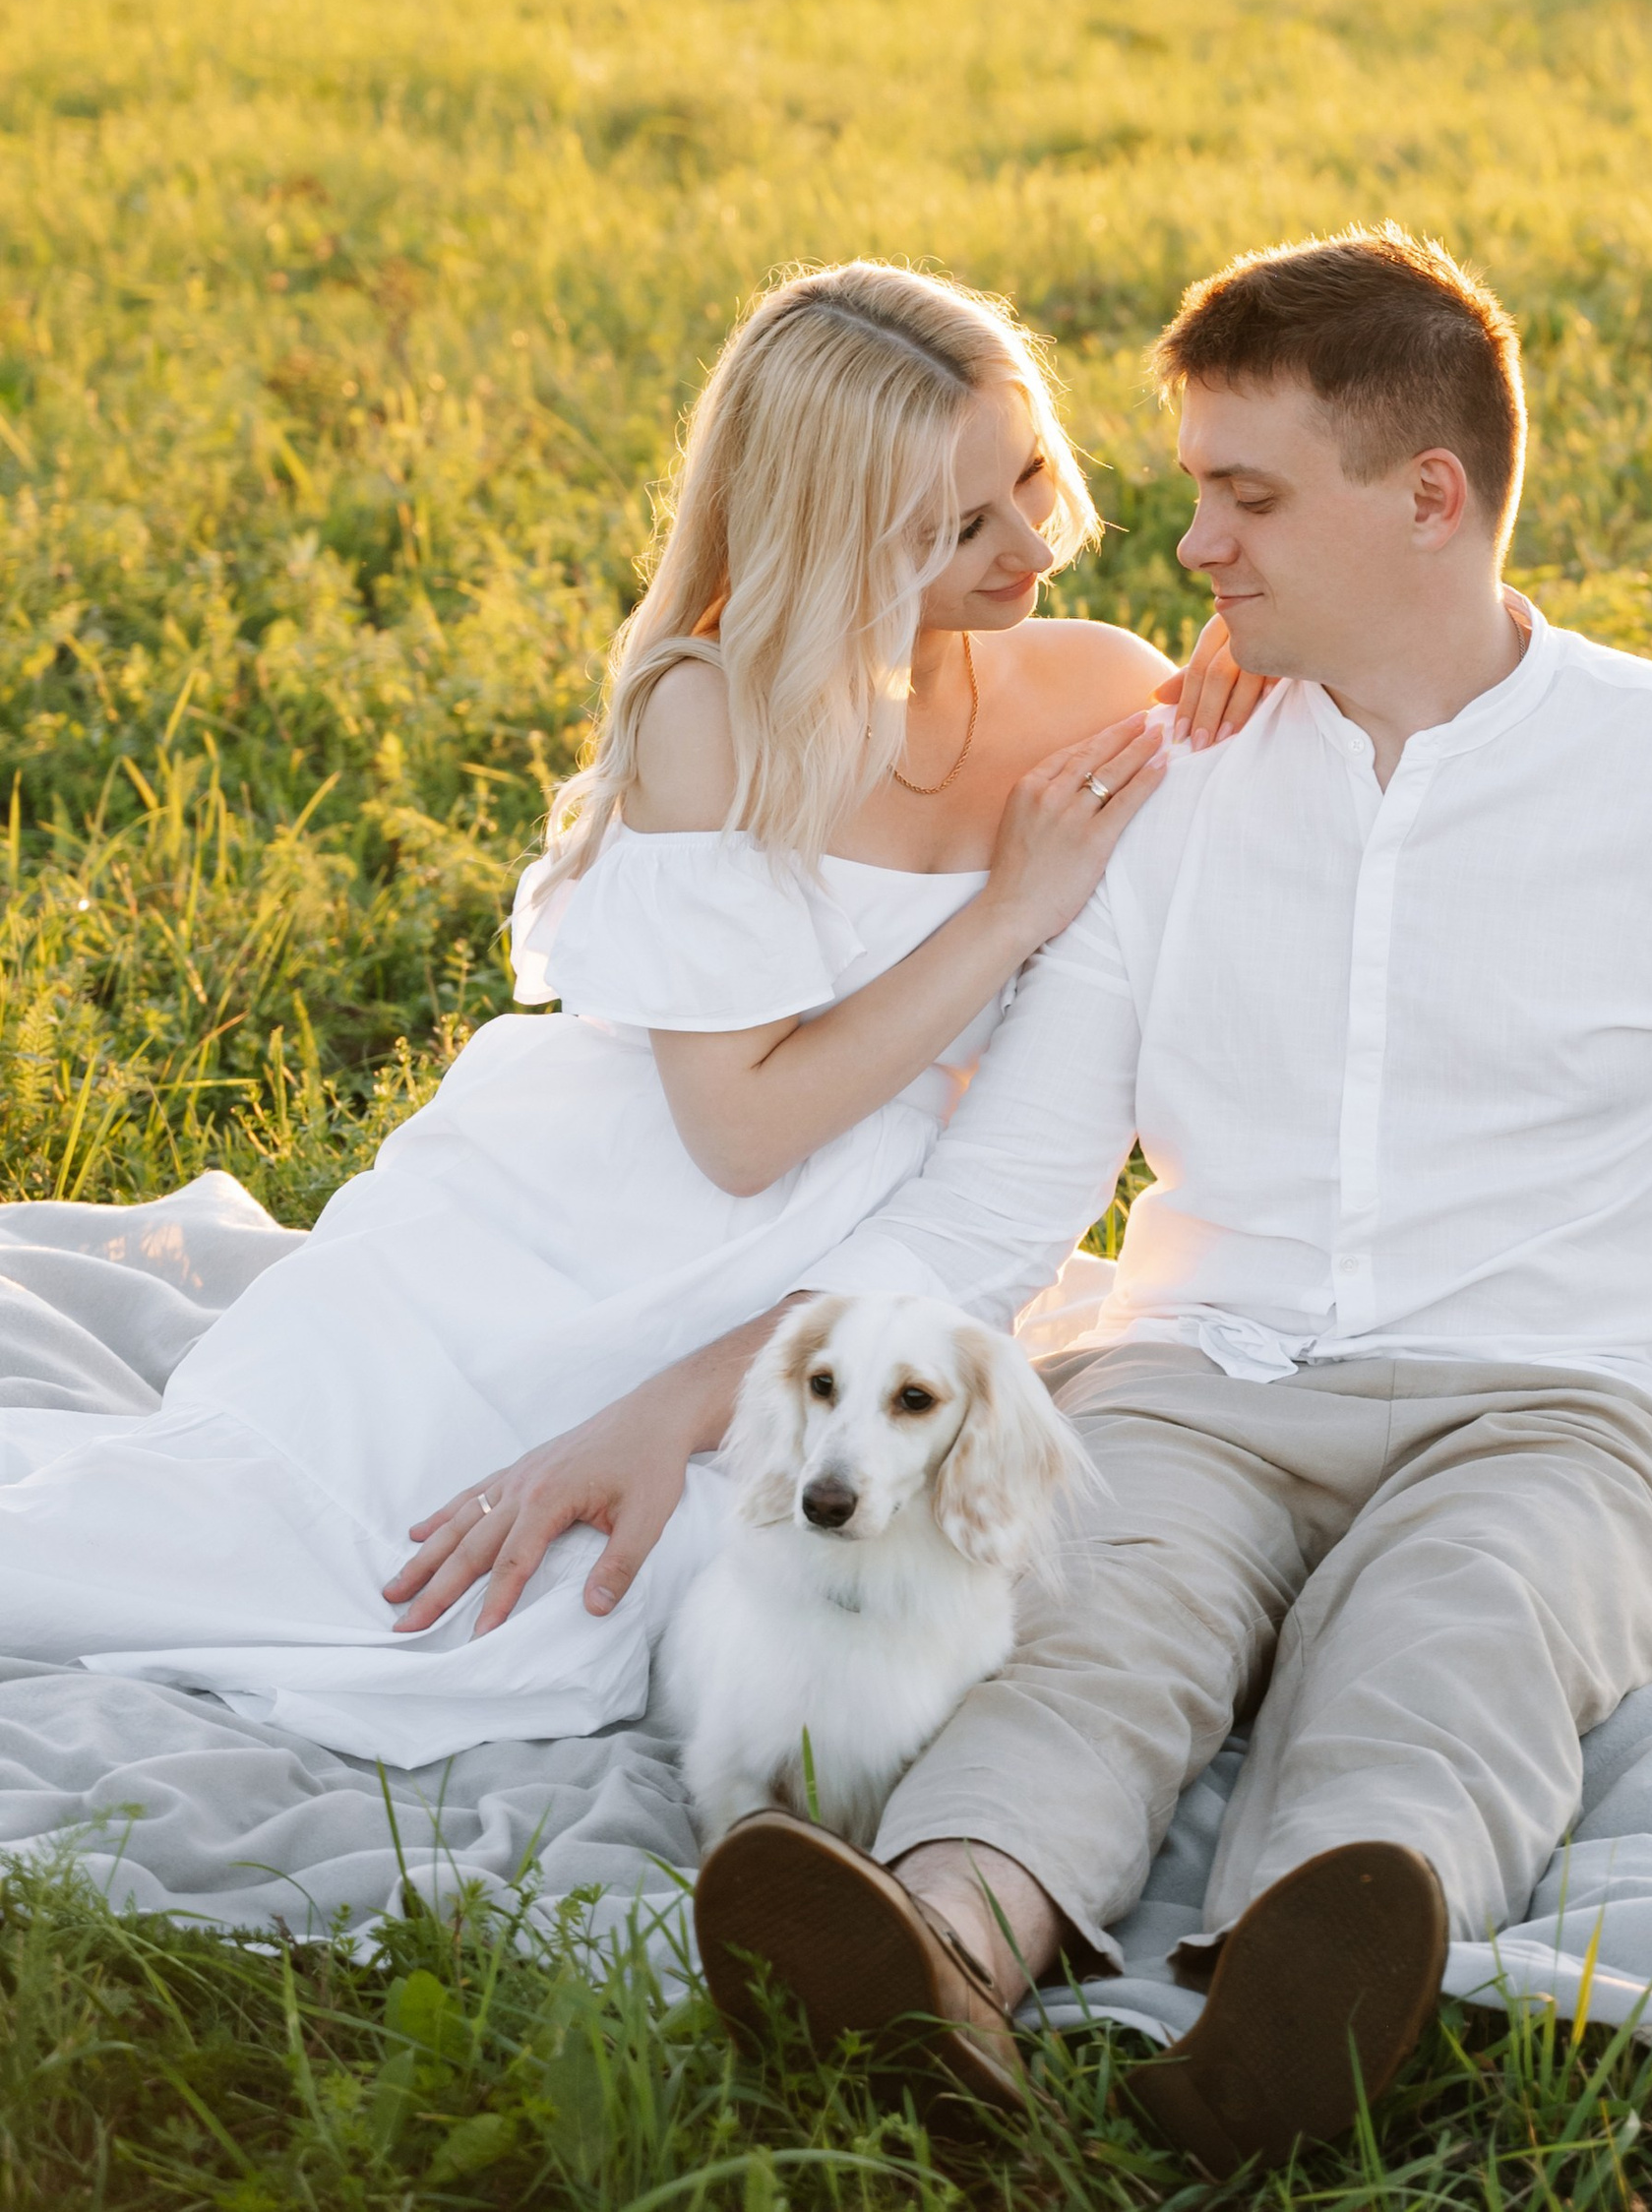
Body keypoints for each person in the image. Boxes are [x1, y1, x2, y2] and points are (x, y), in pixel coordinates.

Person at [430, 227, 1652, 2172]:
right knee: (1091, 1610)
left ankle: (1286, 2001)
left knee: (1456, 1628)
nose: (1190, 541)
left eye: (1247, 493)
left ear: (1427, 496)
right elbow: (1001, 1201)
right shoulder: (1165, 787)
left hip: (1556, 1394)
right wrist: (698, 1399)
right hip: (1196, 1361)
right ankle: (940, 1945)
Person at [0, 261, 1252, 1757]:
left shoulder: (1099, 681)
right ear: (824, 532)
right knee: (353, 1575)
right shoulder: (714, 714)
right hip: (605, 1223)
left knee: (773, 1583)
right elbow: (736, 1130)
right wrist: (1007, 912)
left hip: (885, 1227)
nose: (1031, 546)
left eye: (1033, 474)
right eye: (955, 528)